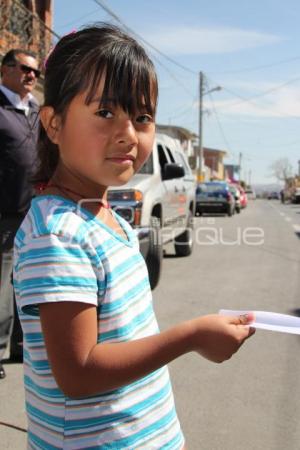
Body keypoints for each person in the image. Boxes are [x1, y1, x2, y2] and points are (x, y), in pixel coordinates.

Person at [13, 24, 255, 449]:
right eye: (105, 113)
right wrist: (193, 335)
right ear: (53, 123)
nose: (128, 133)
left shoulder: (110, 219)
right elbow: (80, 372)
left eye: (142, 117)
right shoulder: (57, 233)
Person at [0, 48, 40, 379]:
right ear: (6, 70)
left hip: (32, 210)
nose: (31, 76)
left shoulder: (36, 111)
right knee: (2, 285)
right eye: (26, 69)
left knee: (25, 282)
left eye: (35, 72)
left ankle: (20, 346)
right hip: (4, 211)